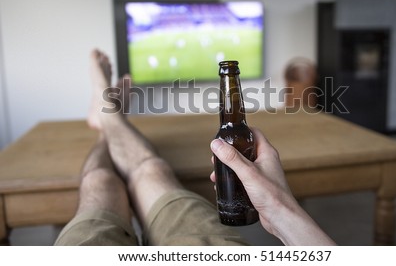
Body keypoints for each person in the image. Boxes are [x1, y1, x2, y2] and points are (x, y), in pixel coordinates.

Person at [54, 49, 335, 246]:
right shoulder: (234, 130)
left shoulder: (236, 130)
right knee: (149, 169)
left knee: (100, 180)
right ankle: (109, 118)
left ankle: (108, 119)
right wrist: (280, 208)